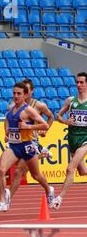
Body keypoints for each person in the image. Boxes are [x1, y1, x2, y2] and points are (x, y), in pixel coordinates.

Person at [0, 82, 54, 212]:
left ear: (25, 95)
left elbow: (45, 125)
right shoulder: (11, 108)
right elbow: (8, 120)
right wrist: (7, 132)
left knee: (36, 175)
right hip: (14, 146)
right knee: (1, 170)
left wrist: (29, 127)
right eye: (14, 93)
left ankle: (49, 189)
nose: (16, 96)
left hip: (27, 146)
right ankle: (2, 201)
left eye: (19, 93)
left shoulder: (28, 110)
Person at [8, 78, 54, 200]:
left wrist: (45, 130)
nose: (25, 93)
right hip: (18, 143)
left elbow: (50, 117)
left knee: (19, 171)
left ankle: (7, 200)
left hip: (31, 142)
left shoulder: (38, 105)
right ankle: (42, 153)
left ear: (31, 91)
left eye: (27, 91)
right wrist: (6, 133)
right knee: (32, 174)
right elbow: (7, 119)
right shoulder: (14, 106)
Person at [52, 72, 87, 209]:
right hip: (73, 139)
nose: (79, 85)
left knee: (70, 168)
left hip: (85, 139)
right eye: (77, 82)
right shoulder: (70, 101)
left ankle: (59, 198)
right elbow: (58, 116)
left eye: (82, 82)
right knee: (82, 171)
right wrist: (66, 121)